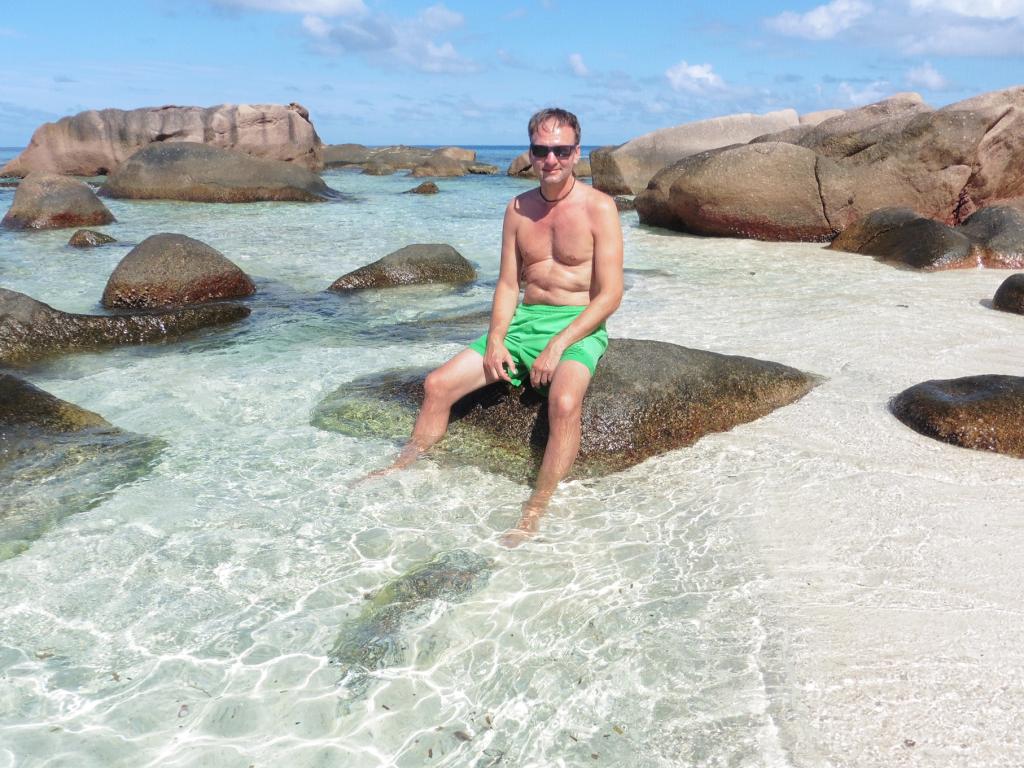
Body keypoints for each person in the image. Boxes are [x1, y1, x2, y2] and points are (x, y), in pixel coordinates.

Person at [373, 107, 624, 546]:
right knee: (437, 384)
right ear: (530, 152)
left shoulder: (600, 208)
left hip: (578, 324)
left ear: (577, 153)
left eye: (561, 151)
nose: (551, 160)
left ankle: (535, 508)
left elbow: (610, 296)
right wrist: (494, 340)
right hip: (525, 322)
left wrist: (558, 345)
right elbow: (509, 284)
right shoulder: (516, 209)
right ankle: (405, 464)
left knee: (564, 403)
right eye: (542, 150)